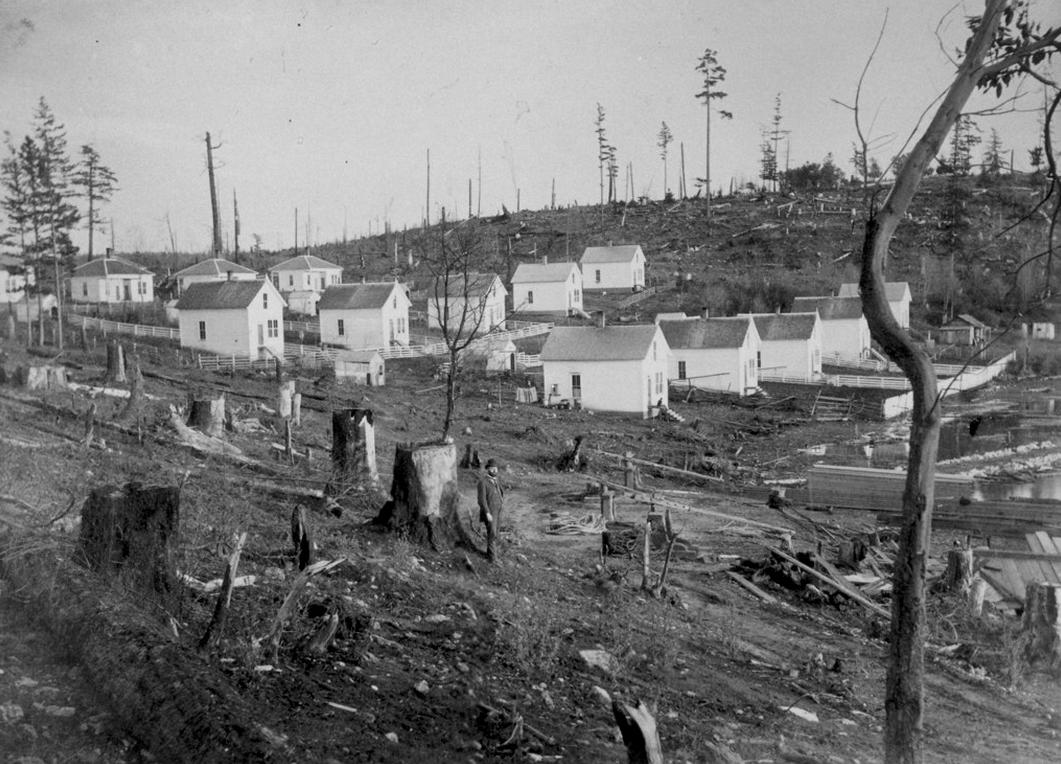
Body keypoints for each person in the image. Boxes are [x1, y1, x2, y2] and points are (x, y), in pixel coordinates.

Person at [477, 457, 504, 561]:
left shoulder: (497, 481)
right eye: (492, 468)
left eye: (496, 468)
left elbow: (500, 494)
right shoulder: (483, 482)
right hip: (490, 512)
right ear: (488, 469)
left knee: (496, 532)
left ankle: (490, 553)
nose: (494, 470)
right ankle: (493, 559)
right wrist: (487, 512)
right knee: (492, 532)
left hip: (498, 511)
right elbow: (481, 500)